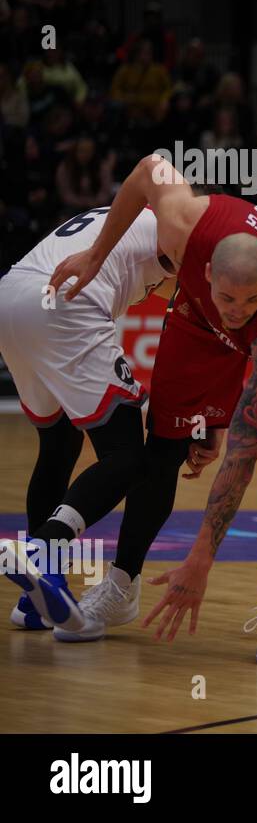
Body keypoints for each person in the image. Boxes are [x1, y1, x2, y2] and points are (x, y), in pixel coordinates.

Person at [48, 154, 257, 664]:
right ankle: (122, 583)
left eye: (248, 301)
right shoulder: (182, 225)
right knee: (164, 442)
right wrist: (97, 256)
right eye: (228, 298)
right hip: (197, 317)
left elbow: (243, 453)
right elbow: (148, 168)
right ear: (203, 271)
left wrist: (201, 558)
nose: (237, 312)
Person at [0, 205, 183, 637]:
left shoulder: (132, 220)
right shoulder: (181, 226)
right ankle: (43, 548)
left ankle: (35, 599)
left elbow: (163, 288)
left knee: (59, 445)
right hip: (65, 306)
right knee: (129, 456)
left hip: (11, 298)